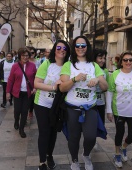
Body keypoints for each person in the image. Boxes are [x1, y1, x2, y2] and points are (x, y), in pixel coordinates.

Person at [59, 36, 108, 170]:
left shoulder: (94, 65)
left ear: (87, 47)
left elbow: (105, 87)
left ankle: (86, 155)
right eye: (78, 45)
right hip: (72, 108)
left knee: (91, 137)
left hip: (90, 108)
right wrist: (74, 79)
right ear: (74, 48)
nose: (80, 48)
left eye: (83, 45)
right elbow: (62, 87)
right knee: (73, 138)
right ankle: (74, 160)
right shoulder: (68, 65)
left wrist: (98, 80)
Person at [34, 40, 70, 170]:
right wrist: (55, 87)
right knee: (44, 132)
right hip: (42, 104)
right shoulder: (47, 64)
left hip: (57, 106)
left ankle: (49, 156)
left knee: (53, 133)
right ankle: (42, 161)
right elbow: (36, 83)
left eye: (64, 48)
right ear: (55, 49)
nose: (62, 50)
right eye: (59, 47)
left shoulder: (68, 66)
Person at [6, 48, 36, 138]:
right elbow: (10, 80)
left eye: (27, 55)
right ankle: (16, 121)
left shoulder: (32, 66)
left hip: (27, 93)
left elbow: (36, 78)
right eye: (23, 55)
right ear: (20, 56)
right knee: (17, 110)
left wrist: (34, 88)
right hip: (17, 92)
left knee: (24, 111)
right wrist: (8, 92)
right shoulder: (15, 66)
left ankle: (21, 129)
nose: (25, 57)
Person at [28, 47, 38, 118]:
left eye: (32, 53)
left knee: (32, 98)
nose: (31, 54)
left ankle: (31, 110)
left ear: (35, 53)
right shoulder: (25, 61)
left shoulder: (38, 61)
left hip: (34, 81)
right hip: (26, 81)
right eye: (30, 53)